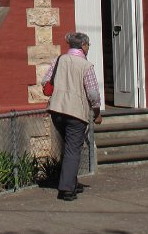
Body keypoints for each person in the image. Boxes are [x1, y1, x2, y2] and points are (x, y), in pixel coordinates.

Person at [42, 30, 103, 201]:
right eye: (88, 45)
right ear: (83, 46)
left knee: (69, 148)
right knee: (73, 149)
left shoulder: (59, 60)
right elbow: (92, 93)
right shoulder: (85, 65)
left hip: (56, 110)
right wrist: (96, 111)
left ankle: (70, 182)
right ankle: (67, 189)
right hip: (75, 112)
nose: (88, 48)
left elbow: (45, 81)